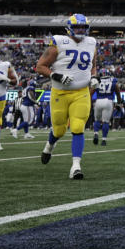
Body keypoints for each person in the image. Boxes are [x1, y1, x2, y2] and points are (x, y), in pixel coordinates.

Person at [36, 14, 99, 179]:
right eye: (77, 27)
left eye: (83, 27)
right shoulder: (58, 43)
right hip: (60, 93)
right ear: (69, 28)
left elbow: (93, 66)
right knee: (59, 129)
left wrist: (94, 77)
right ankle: (49, 146)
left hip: (81, 92)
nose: (80, 30)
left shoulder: (91, 43)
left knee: (78, 127)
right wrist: (56, 76)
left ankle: (76, 166)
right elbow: (40, 66)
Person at [92, 68, 120, 146]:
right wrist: (119, 102)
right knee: (105, 121)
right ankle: (104, 140)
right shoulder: (113, 80)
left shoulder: (97, 80)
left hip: (98, 101)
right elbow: (118, 92)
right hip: (108, 101)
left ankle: (96, 133)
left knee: (97, 120)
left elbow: (91, 92)